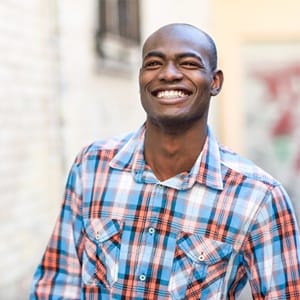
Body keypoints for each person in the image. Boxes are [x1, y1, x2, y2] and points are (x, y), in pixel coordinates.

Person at [30, 23, 300, 299]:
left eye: (188, 63)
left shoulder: (259, 196)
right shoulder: (92, 166)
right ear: (141, 78)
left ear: (215, 82)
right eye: (155, 63)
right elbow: (58, 281)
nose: (168, 74)